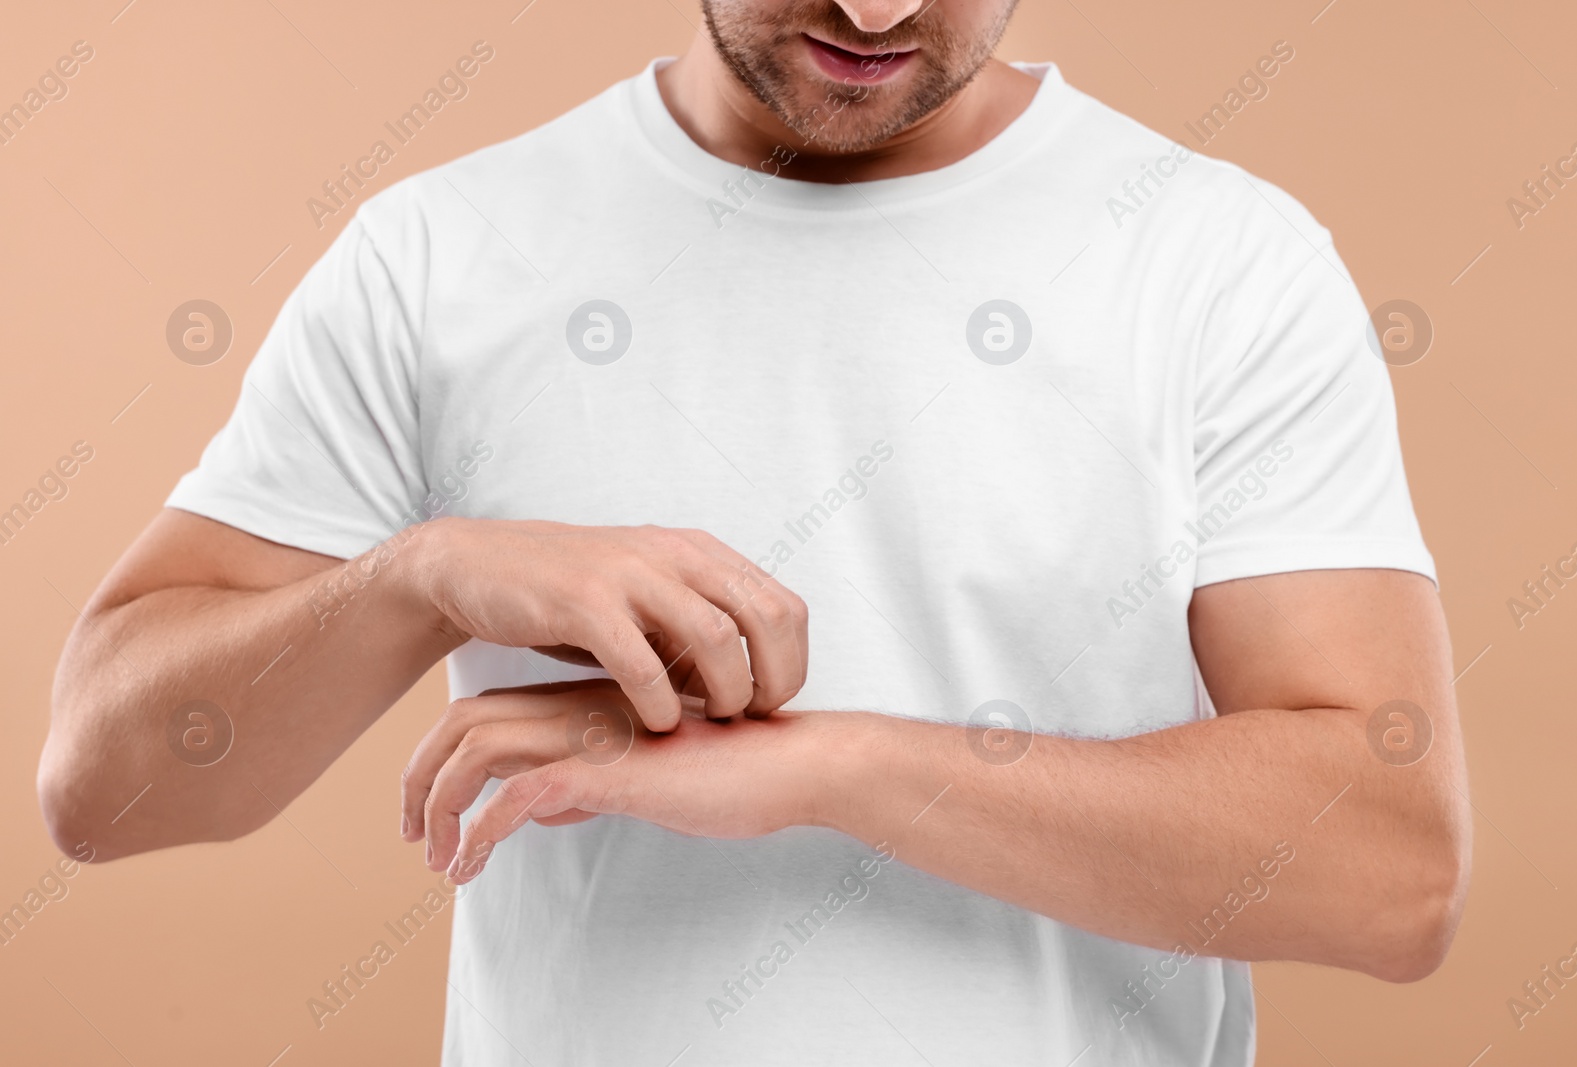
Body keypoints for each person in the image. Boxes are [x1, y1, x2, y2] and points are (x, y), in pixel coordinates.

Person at [39, 1, 1470, 1063]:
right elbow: (106, 787)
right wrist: (422, 577)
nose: (877, 10)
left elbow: (1394, 872)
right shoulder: (442, 255)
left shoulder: (1220, 266)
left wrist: (827, 769)